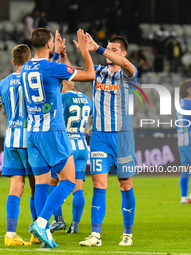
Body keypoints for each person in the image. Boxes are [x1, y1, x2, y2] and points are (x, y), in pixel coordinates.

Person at [22, 28, 95, 248]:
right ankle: (42, 223)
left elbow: (45, 71)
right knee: (69, 180)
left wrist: (57, 56)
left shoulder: (26, 67)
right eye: (52, 42)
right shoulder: (54, 68)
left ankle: (44, 234)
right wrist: (84, 52)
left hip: (32, 133)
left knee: (42, 184)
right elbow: (90, 74)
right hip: (53, 132)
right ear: (48, 45)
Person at [78, 35, 137, 247]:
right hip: (100, 136)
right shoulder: (98, 73)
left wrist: (100, 48)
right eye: (108, 48)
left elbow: (127, 65)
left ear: (123, 53)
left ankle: (127, 233)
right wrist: (63, 54)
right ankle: (95, 234)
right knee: (98, 184)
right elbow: (72, 73)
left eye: (114, 49)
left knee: (125, 184)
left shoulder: (128, 73)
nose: (109, 52)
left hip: (122, 136)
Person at [0, 44, 37, 246]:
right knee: (36, 187)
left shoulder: (3, 83)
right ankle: (37, 232)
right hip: (31, 140)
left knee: (16, 187)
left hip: (11, 139)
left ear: (14, 62)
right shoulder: (34, 80)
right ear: (30, 60)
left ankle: (11, 235)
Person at [48, 80, 93, 234]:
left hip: (66, 148)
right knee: (78, 188)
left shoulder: (62, 99)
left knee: (51, 182)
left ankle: (58, 219)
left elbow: (54, 121)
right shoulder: (87, 99)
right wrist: (86, 134)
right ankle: (75, 225)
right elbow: (98, 120)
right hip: (81, 147)